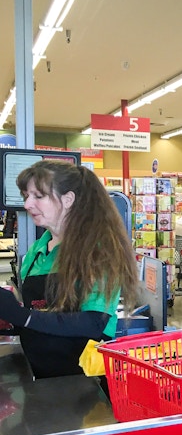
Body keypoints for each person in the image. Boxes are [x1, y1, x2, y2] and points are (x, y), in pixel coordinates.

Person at [0, 160, 139, 378]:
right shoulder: (37, 250)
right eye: (26, 196)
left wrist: (23, 316)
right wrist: (9, 320)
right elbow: (37, 316)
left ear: (68, 199)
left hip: (84, 383)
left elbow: (94, 322)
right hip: (39, 376)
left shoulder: (98, 251)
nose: (27, 205)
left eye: (38, 196)